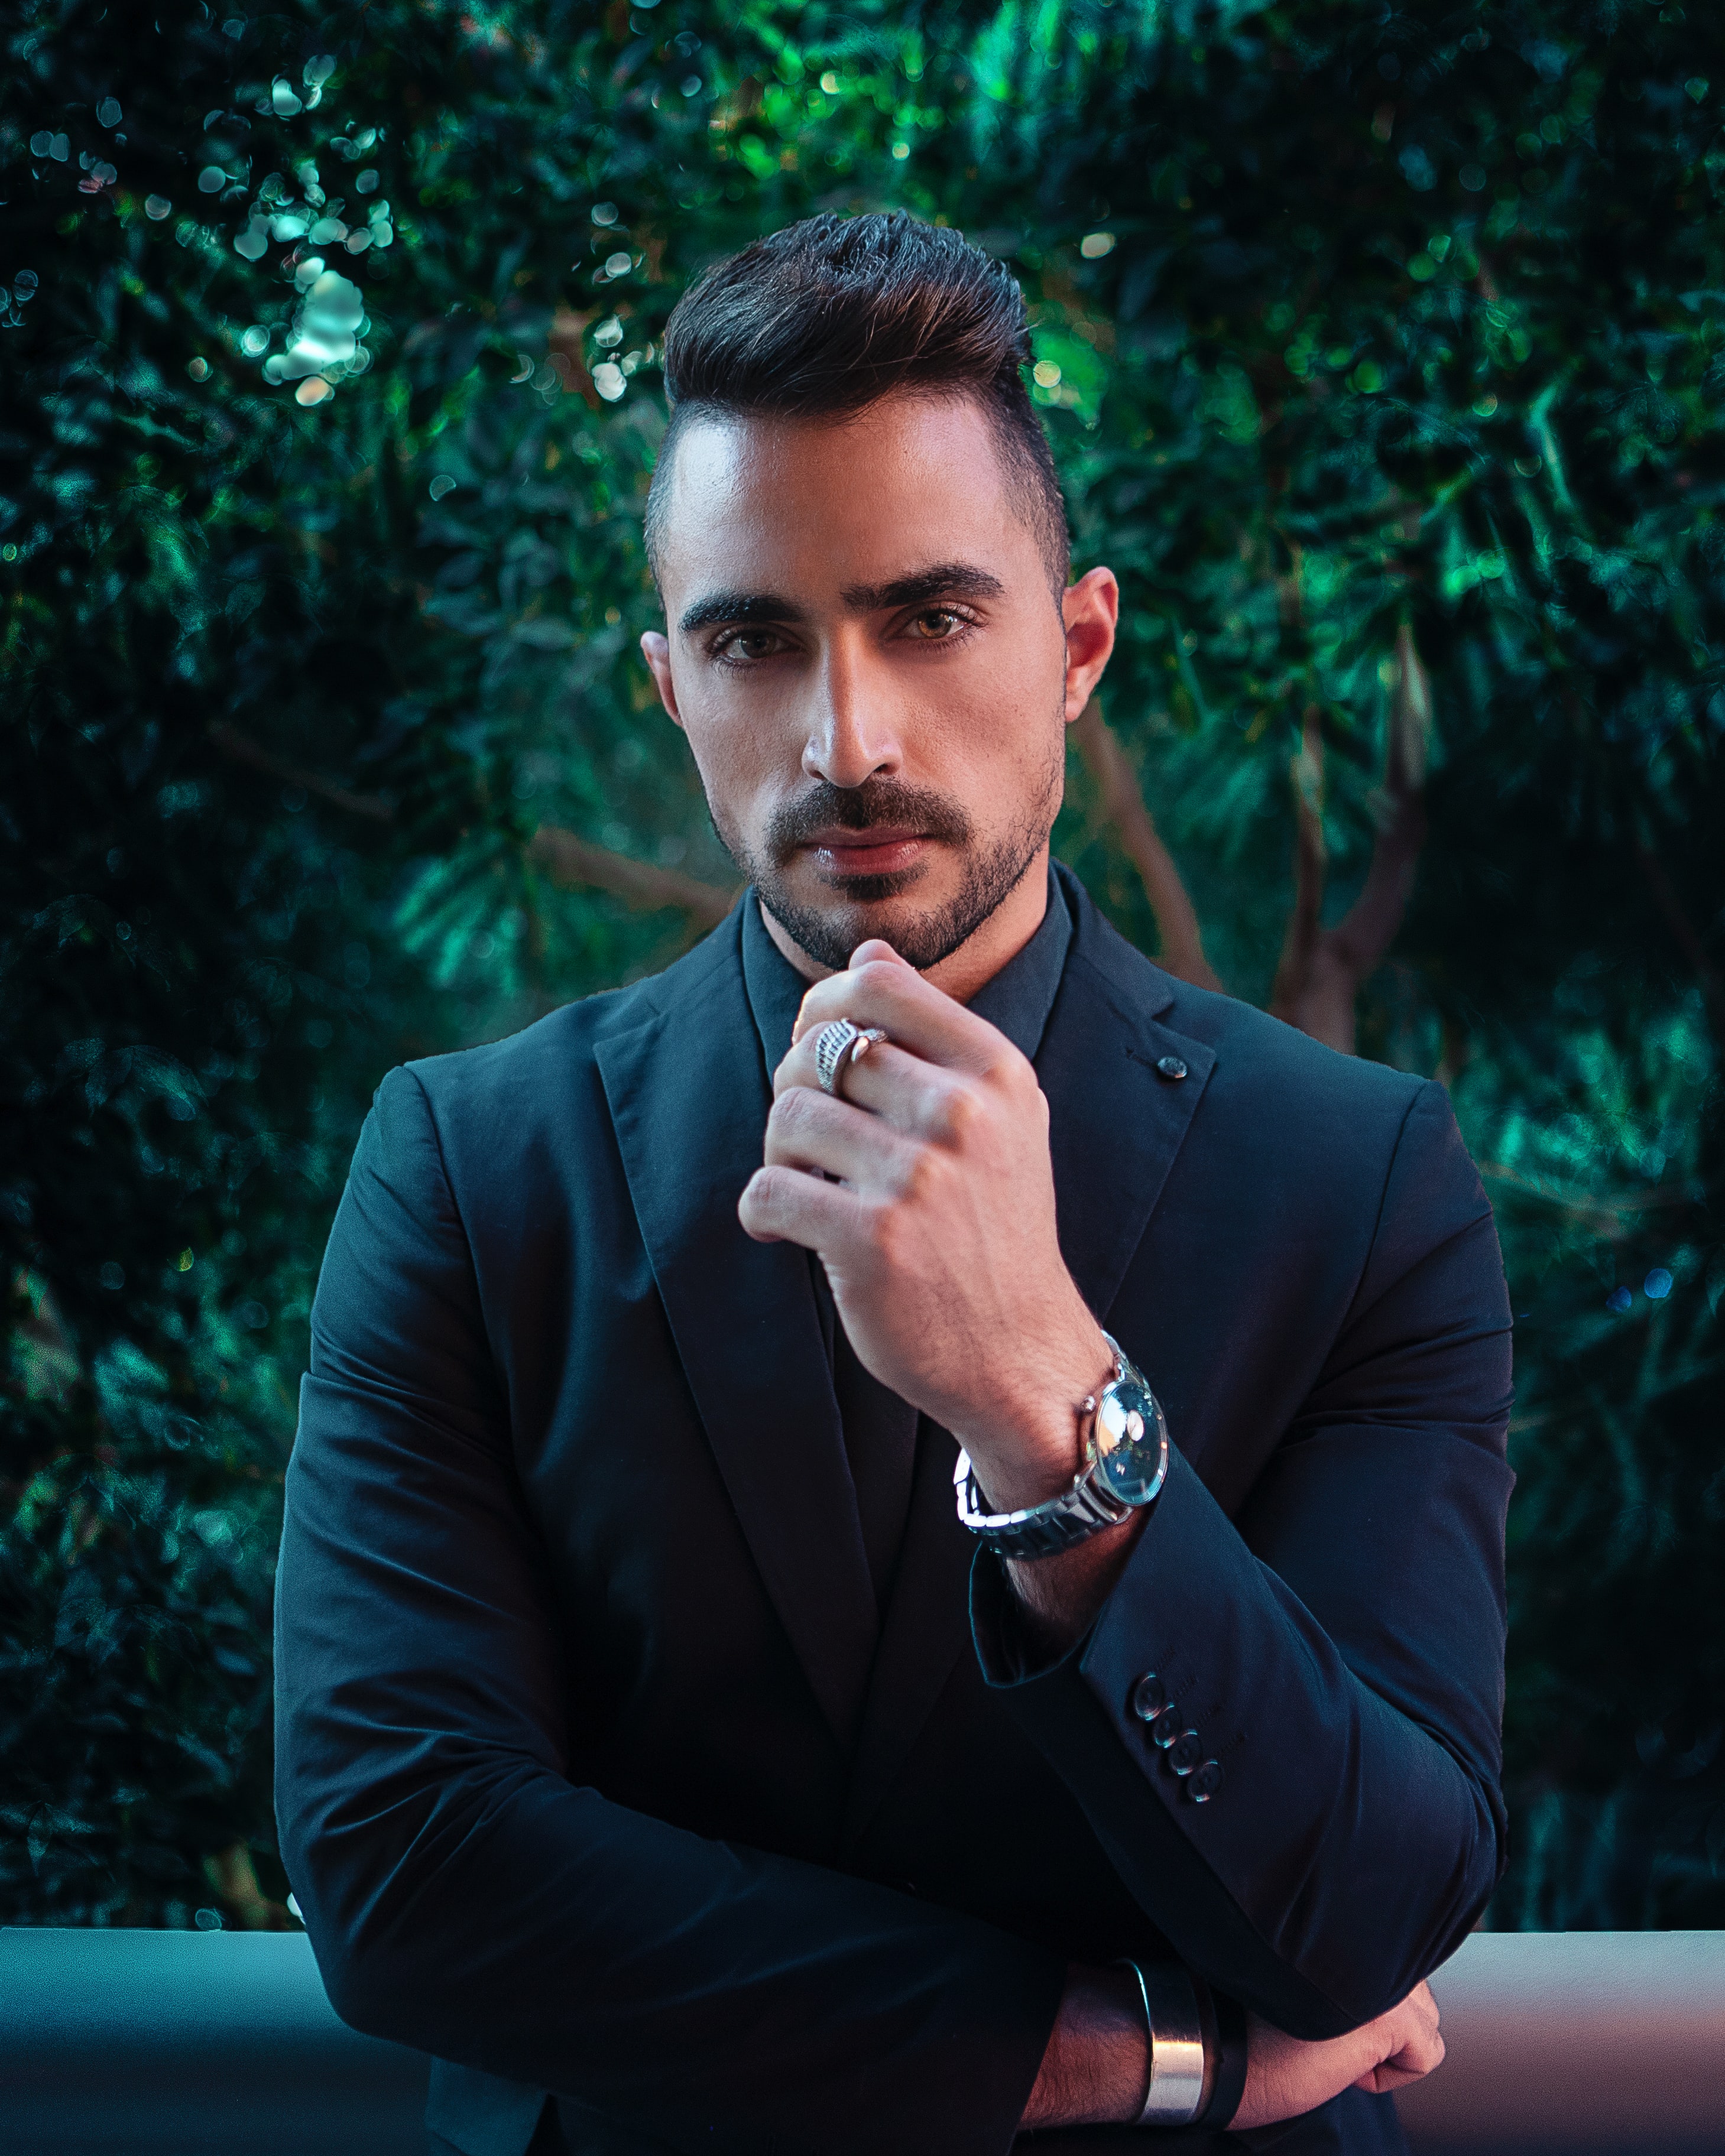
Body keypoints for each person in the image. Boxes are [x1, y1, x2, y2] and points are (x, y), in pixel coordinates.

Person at [274, 213, 1513, 2156]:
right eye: (755, 641)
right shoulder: (468, 1166)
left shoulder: (1362, 1182)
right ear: (671, 684)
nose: (848, 740)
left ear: (1079, 646)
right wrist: (1110, 2056)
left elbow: (1373, 1904)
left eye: (930, 620)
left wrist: (1051, 1413)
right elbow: (401, 1861)